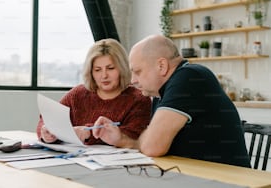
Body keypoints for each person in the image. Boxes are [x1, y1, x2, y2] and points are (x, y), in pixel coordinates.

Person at [92, 34, 251, 168]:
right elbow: (151, 145)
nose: (132, 80)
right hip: (196, 175)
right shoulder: (162, 92)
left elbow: (152, 147)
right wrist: (122, 139)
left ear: (161, 66)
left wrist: (143, 141)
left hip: (228, 182)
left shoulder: (189, 78)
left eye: (137, 72)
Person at [36, 38, 151, 145]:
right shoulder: (78, 94)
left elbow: (133, 136)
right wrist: (46, 131)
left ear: (122, 68)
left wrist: (88, 132)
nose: (104, 75)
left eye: (110, 68)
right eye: (97, 70)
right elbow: (49, 119)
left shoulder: (139, 99)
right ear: (90, 72)